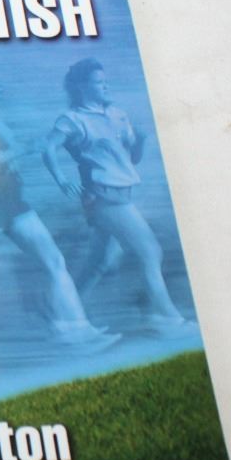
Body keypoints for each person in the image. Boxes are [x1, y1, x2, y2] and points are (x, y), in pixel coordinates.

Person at [0, 61, 113, 348]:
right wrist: (26, 148)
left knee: (54, 261)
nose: (0, 85)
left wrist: (25, 149)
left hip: (10, 197)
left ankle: (73, 329)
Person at [41, 58, 195, 334]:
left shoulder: (117, 115)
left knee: (101, 261)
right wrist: (62, 180)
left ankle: (65, 317)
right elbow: (48, 147)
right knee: (150, 252)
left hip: (123, 194)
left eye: (105, 81)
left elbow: (131, 159)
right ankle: (166, 318)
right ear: (81, 86)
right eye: (98, 82)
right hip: (103, 197)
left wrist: (142, 141)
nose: (105, 86)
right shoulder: (73, 119)